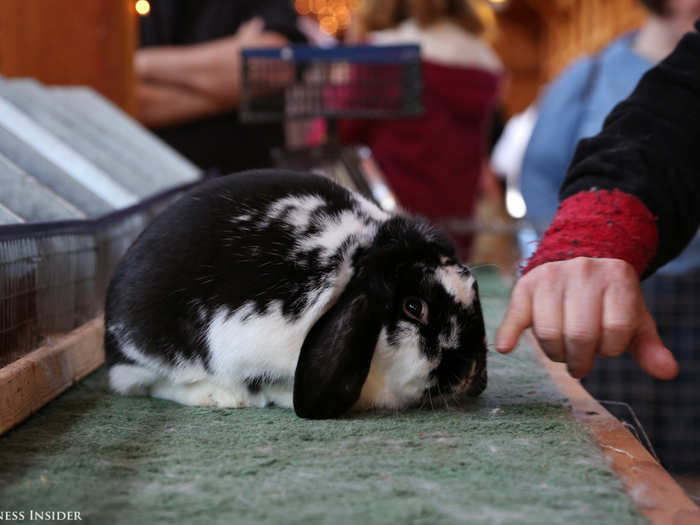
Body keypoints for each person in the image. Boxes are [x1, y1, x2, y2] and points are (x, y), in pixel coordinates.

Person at [497, 19, 700, 473]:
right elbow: (542, 169)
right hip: (614, 291)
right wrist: (581, 241)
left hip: (691, 291)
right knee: (621, 450)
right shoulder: (589, 72)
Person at [339, 0, 503, 260]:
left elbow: (342, 129)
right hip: (456, 222)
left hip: (389, 220)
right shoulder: (481, 61)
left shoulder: (385, 54)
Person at [136, 0, 305, 173]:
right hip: (146, 175)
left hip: (241, 182)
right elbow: (122, 99)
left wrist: (139, 63)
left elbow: (275, 67)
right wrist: (230, 91)